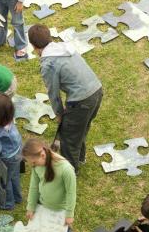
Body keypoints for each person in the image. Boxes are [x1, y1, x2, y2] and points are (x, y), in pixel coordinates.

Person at [28, 24, 103, 174]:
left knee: (69, 138)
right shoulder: (63, 47)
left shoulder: (48, 64)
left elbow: (53, 93)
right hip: (97, 91)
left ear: (33, 46)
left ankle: (70, 173)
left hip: (81, 101)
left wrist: (59, 114)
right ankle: (80, 158)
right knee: (80, 129)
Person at [22, 138, 76, 232]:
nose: (33, 166)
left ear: (42, 155)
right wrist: (31, 206)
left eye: (34, 162)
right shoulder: (36, 166)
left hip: (61, 211)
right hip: (43, 207)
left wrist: (69, 214)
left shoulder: (66, 169)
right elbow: (34, 186)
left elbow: (71, 193)